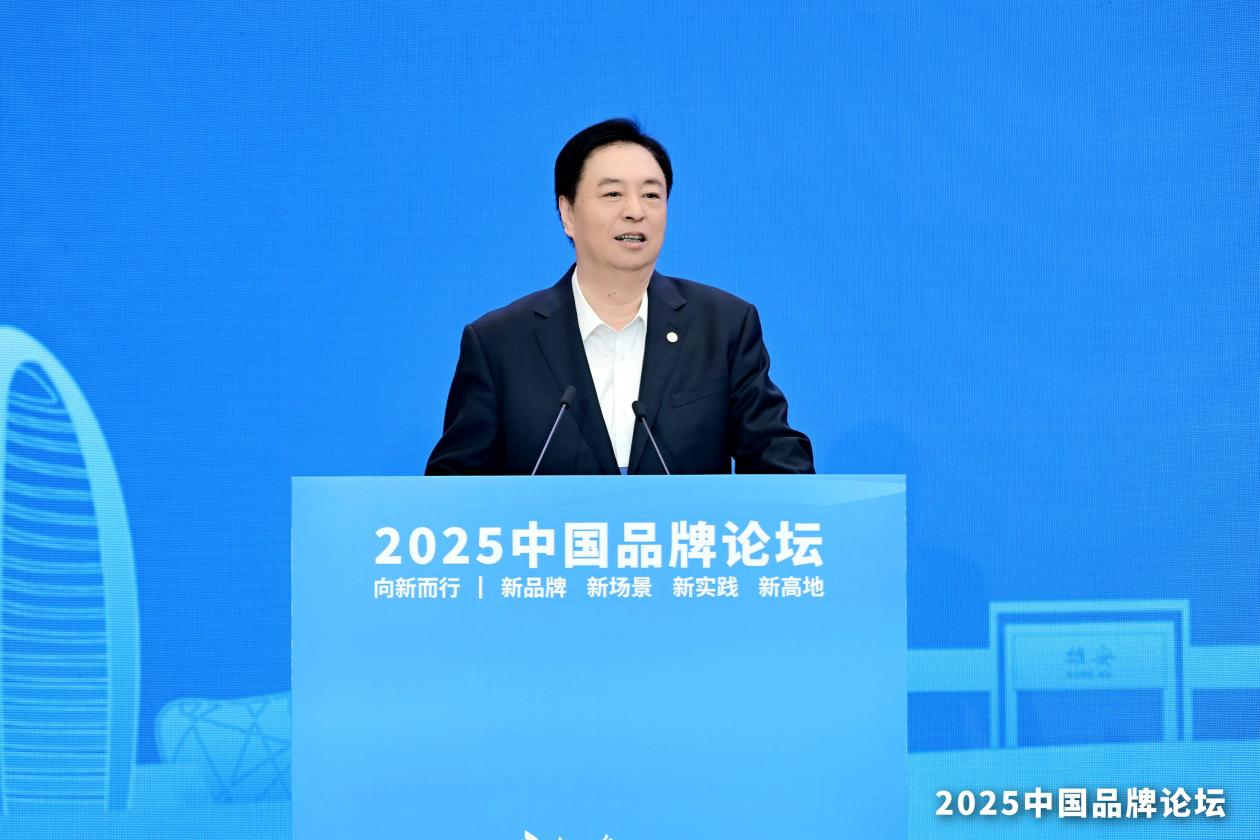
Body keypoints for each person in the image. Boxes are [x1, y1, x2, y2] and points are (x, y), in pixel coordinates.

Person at [425, 118, 813, 476]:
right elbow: (454, 487)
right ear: (567, 213)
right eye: (613, 193)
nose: (635, 211)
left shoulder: (723, 325)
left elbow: (779, 461)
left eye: (651, 195)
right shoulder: (499, 343)